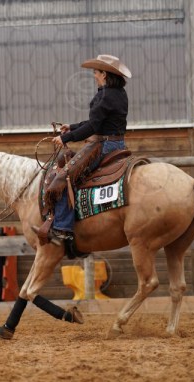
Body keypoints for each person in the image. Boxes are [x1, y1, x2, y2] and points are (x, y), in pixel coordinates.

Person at [38, 54, 132, 242]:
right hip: (118, 144)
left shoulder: (104, 96)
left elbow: (93, 127)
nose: (94, 76)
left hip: (102, 146)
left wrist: (65, 138)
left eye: (96, 72)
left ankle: (62, 227)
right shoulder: (120, 94)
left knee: (63, 177)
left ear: (104, 74)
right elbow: (98, 122)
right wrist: (72, 127)